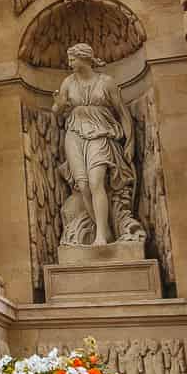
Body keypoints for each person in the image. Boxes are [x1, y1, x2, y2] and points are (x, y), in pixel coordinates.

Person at [52, 43, 144, 247]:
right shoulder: (68, 82)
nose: (69, 63)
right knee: (82, 185)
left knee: (96, 183)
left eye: (72, 59)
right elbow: (57, 110)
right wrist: (58, 104)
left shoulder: (106, 82)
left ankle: (101, 236)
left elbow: (122, 112)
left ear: (84, 58)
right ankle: (106, 231)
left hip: (101, 133)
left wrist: (130, 141)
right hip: (75, 134)